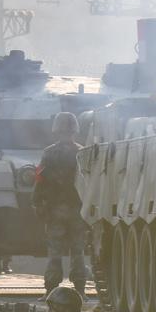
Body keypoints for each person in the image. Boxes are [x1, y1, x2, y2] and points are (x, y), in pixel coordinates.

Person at [34, 111, 87, 298]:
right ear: (75, 130)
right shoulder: (82, 152)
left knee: (55, 252)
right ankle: (80, 290)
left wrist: (38, 204)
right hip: (78, 210)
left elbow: (40, 180)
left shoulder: (49, 153)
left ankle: (50, 290)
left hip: (56, 210)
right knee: (78, 251)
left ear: (56, 130)